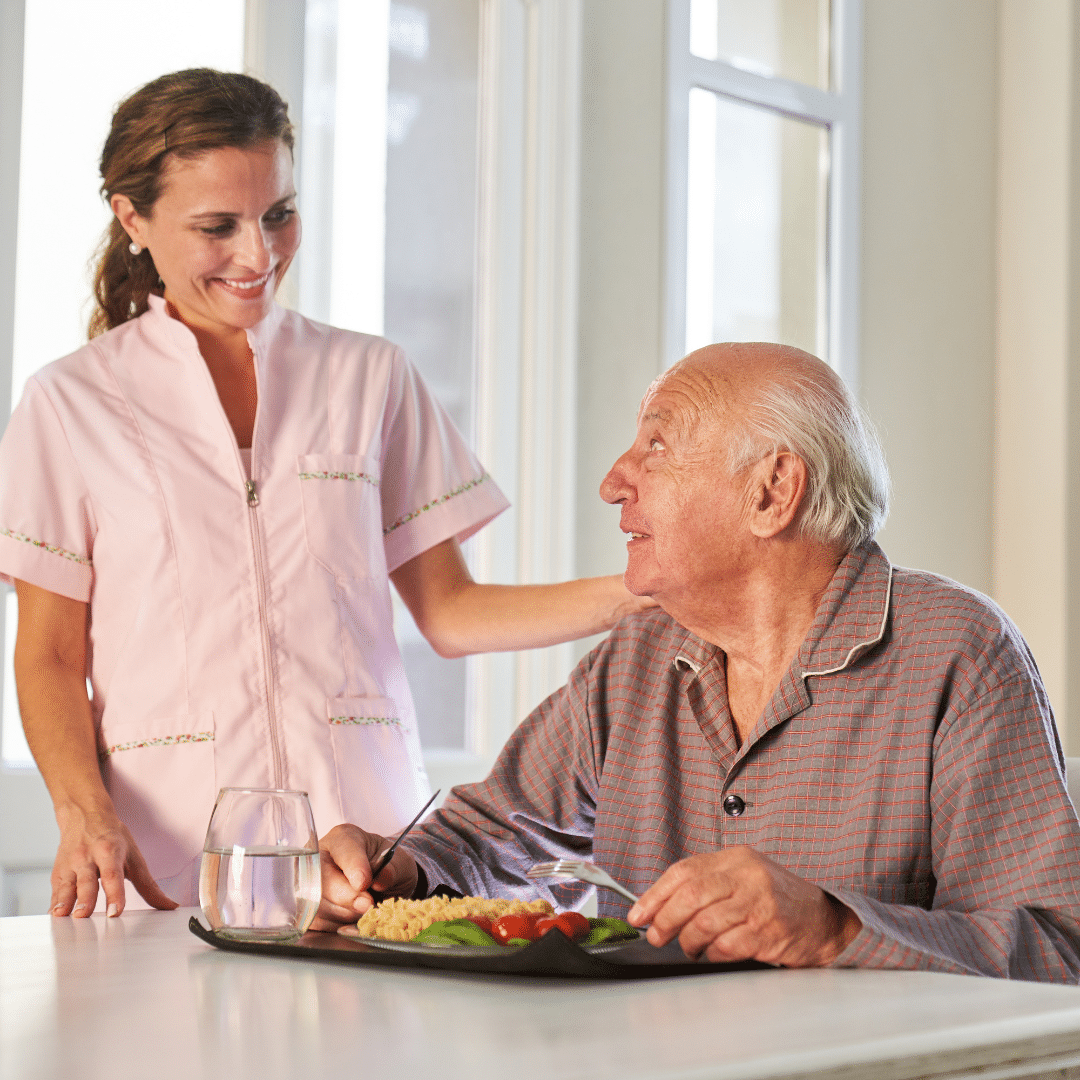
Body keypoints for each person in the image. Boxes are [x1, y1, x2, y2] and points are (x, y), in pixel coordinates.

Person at [0, 69, 649, 918]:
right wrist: (83, 812)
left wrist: (643, 592)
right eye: (217, 226)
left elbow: (451, 613)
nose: (258, 255)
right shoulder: (70, 403)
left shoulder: (368, 376)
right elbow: (50, 656)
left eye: (278, 214)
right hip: (172, 855)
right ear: (132, 219)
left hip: (366, 848)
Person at [314, 341, 1080, 982]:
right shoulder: (636, 658)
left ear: (773, 491)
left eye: (657, 446)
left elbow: (1060, 949)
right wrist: (396, 870)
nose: (613, 482)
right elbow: (487, 839)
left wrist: (833, 929)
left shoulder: (959, 652)